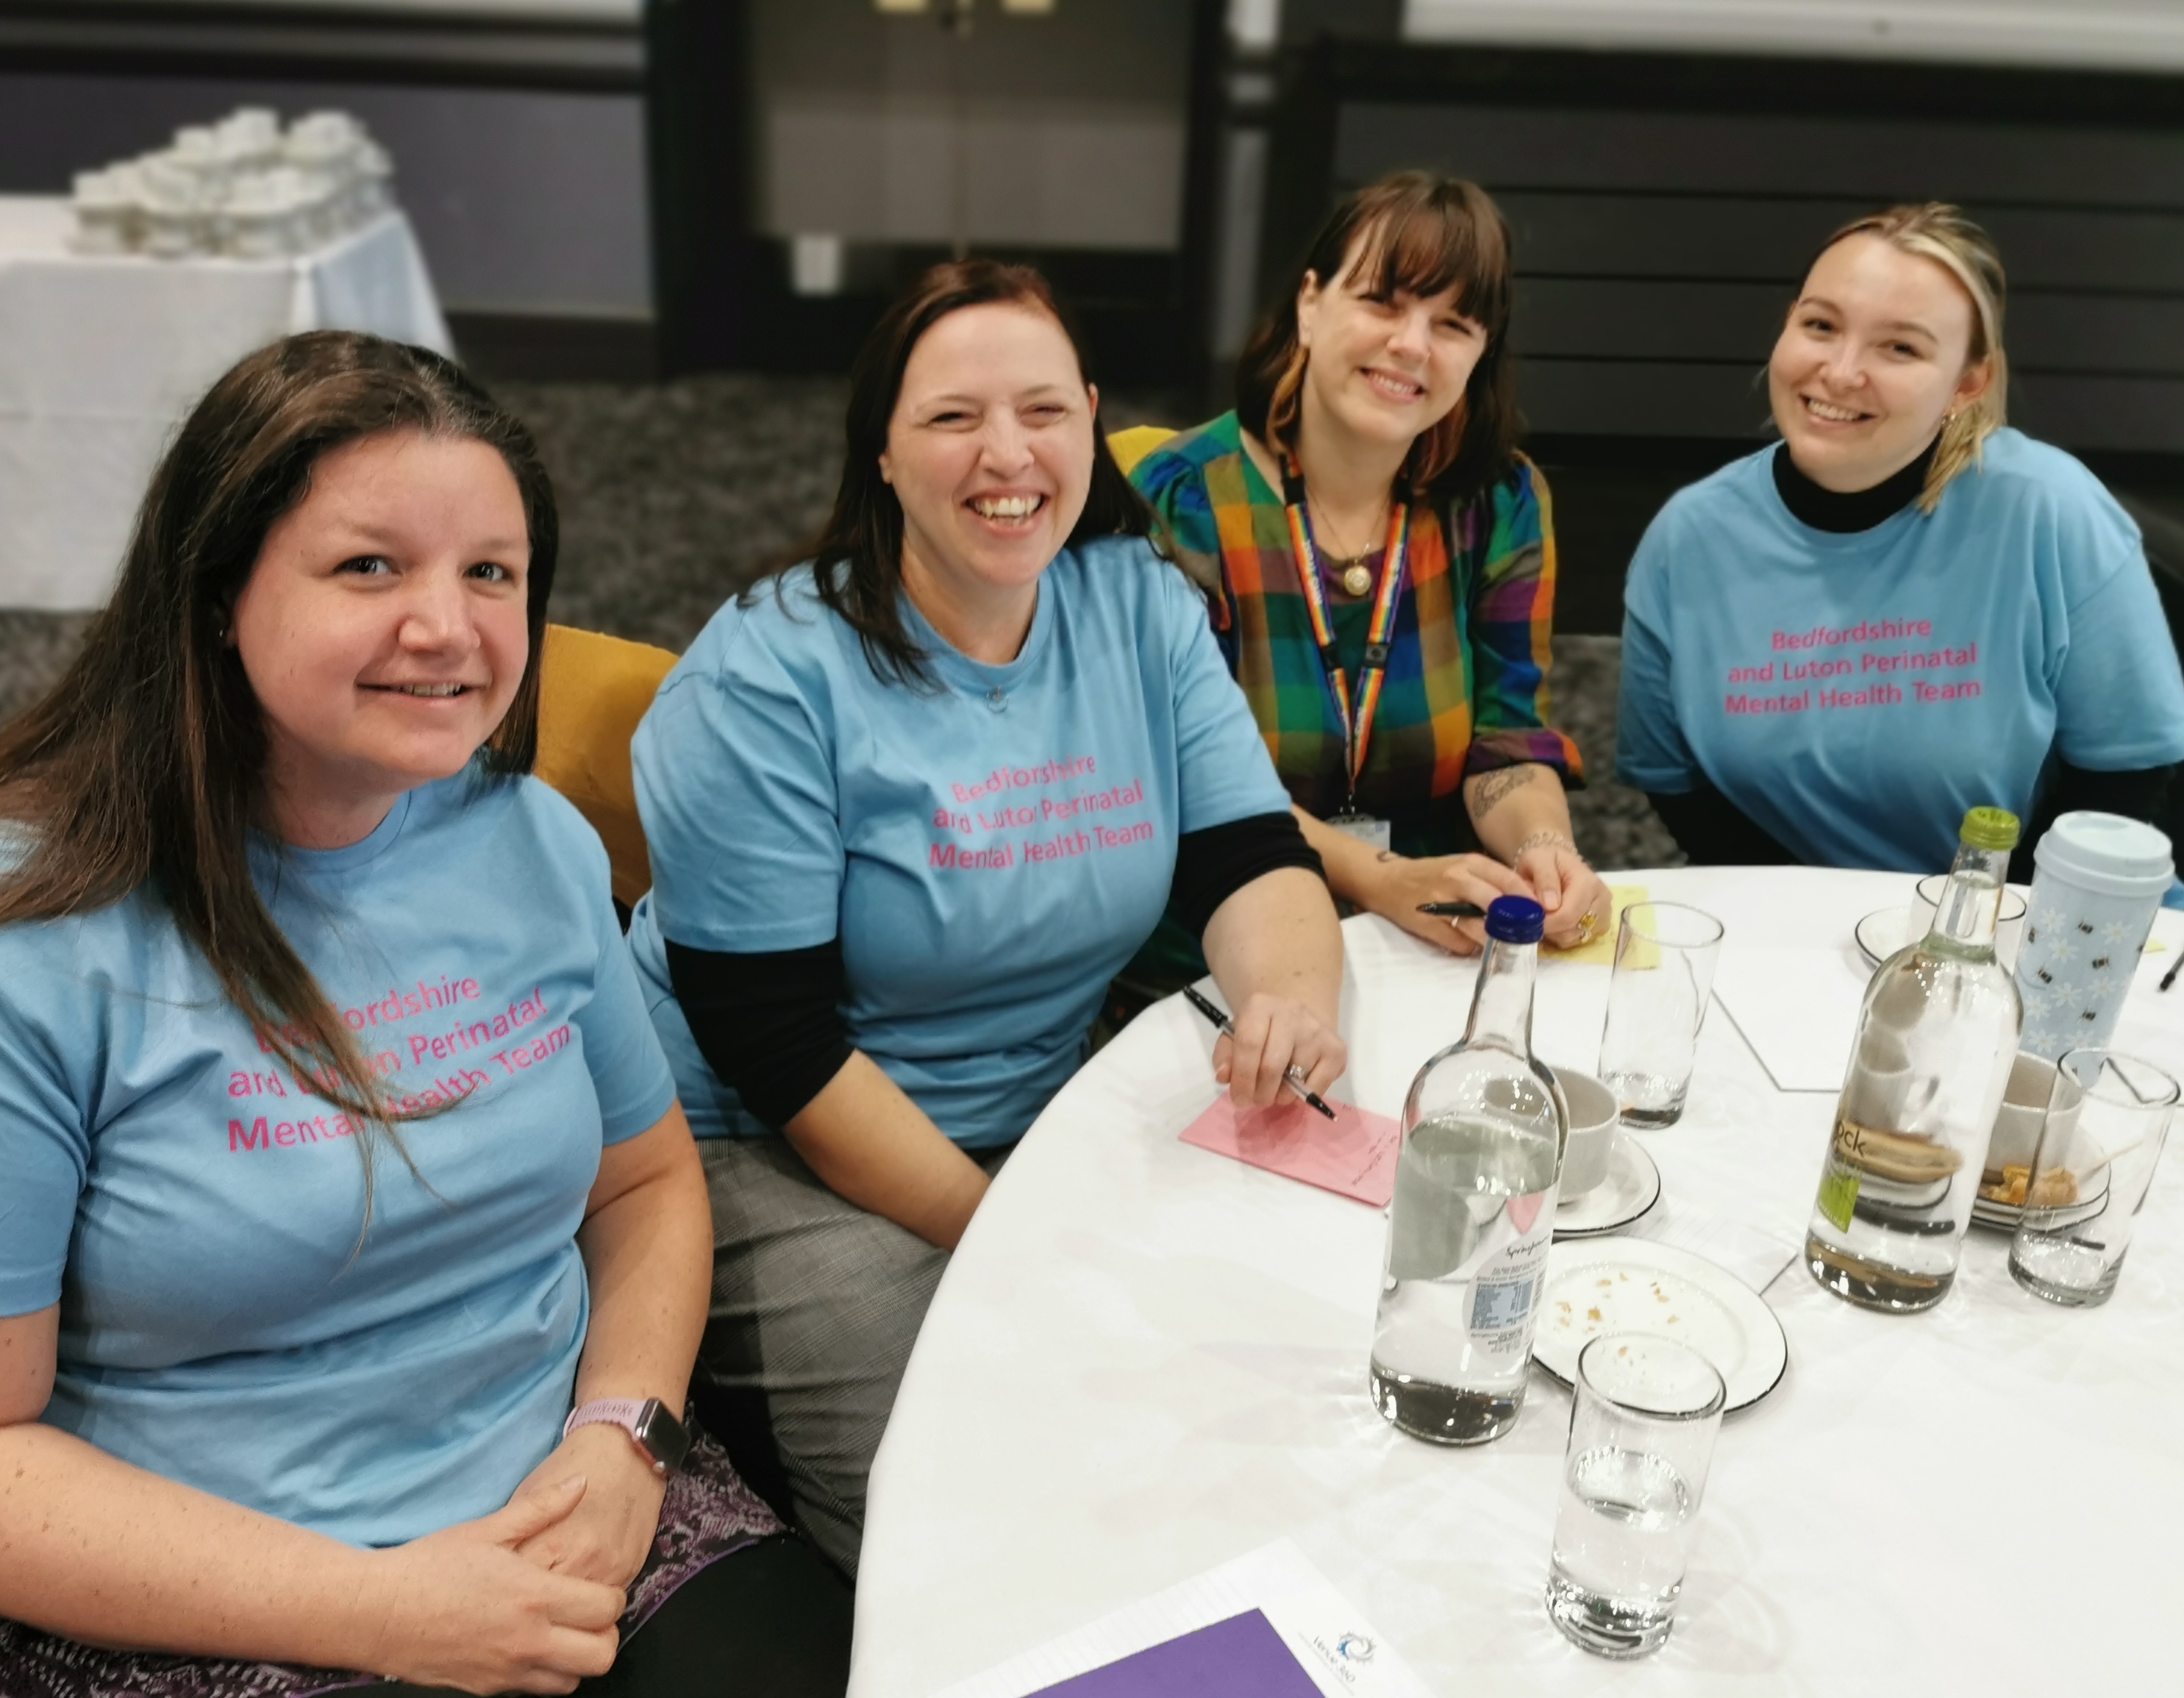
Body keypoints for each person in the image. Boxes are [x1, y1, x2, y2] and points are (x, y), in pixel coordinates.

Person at [0, 333, 850, 1698]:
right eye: (369, 565)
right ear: (217, 589)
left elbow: (642, 1182)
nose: (449, 627)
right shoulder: (40, 937)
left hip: (576, 1509)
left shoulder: (535, 841)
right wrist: (385, 1608)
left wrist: (627, 1435)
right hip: (231, 1593)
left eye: (491, 572)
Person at [626, 260, 1348, 1576]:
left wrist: (1288, 995)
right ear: (885, 455)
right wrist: (1008, 1229)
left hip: (1045, 1099)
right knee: (976, 1501)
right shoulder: (768, 674)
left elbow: (1248, 851)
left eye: (1042, 410)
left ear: (1088, 418)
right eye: (953, 417)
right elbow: (772, 1039)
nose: (1005, 454)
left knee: (1266, 1368)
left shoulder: (1137, 601)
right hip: (773, 1145)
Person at [1130, 171, 1610, 968]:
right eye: (1383, 302)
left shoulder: (1499, 499)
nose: (1413, 345)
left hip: (1439, 927)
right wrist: (1381, 878)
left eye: (1453, 322)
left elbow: (1506, 737)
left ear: (1481, 350)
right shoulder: (1183, 502)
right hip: (1225, 927)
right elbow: (1188, 780)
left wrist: (1543, 845)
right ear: (1310, 303)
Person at [1617, 203, 2184, 878]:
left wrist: (1975, 927)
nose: (1841, 371)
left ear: (1968, 383)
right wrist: (1818, 920)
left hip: (2029, 913)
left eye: (1901, 347)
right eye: (1820, 325)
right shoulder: (1689, 537)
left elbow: (2128, 780)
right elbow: (1675, 782)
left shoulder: (2051, 510)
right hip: (1789, 916)